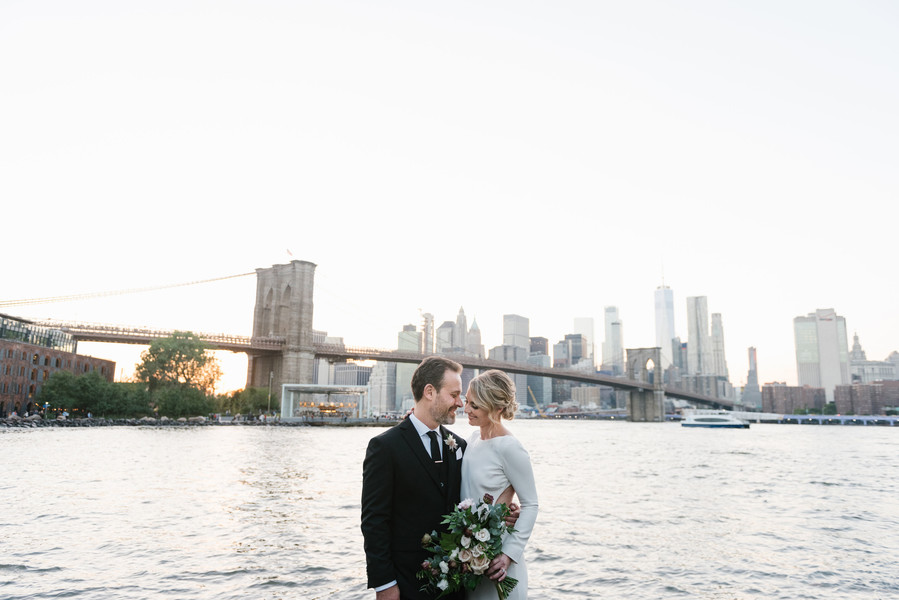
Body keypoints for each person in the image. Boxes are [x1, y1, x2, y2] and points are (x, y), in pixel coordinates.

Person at [361, 356, 467, 600]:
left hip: (455, 587)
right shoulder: (385, 447)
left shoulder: (459, 446)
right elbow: (374, 521)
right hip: (407, 585)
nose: (459, 403)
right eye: (454, 395)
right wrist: (384, 585)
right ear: (430, 392)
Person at [460, 370, 538, 600]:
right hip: (469, 557)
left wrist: (507, 555)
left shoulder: (510, 448)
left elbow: (531, 504)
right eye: (466, 402)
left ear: (497, 408)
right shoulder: (473, 440)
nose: (466, 410)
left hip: (498, 562)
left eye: (474, 405)